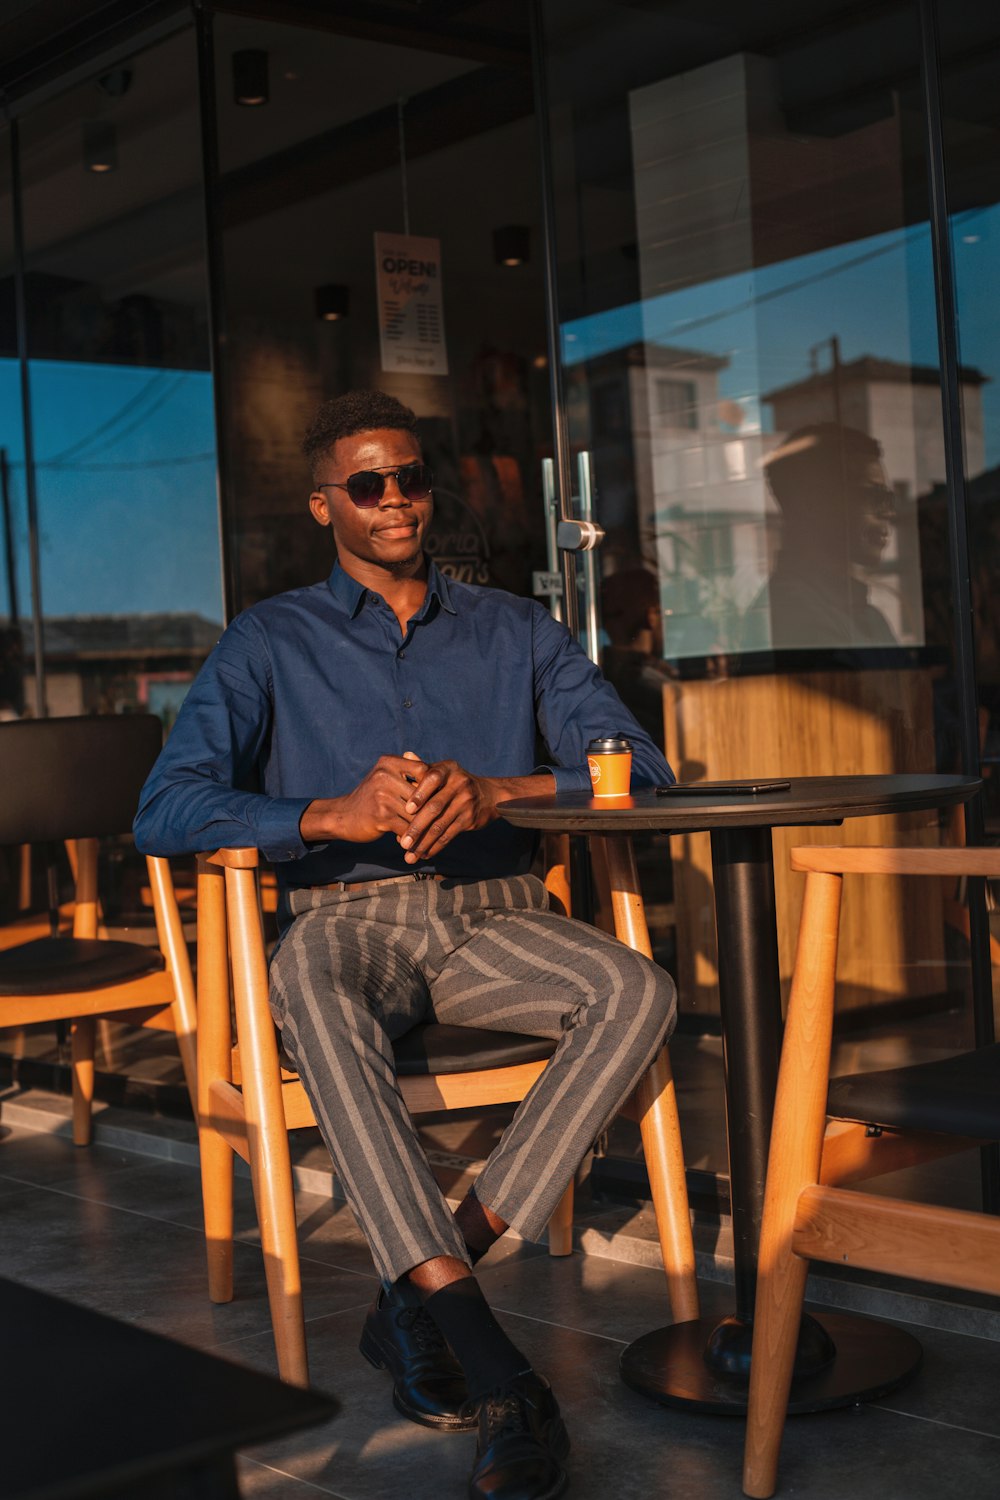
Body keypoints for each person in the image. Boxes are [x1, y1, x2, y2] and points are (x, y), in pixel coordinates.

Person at [134, 389, 677, 1500]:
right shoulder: (268, 639)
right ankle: (498, 1372)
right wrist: (321, 815)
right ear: (322, 502)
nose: (396, 501)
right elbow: (166, 809)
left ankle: (424, 1293)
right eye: (368, 484)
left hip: (495, 913)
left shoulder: (515, 629)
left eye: (411, 478)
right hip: (345, 920)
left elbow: (640, 767)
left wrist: (498, 791)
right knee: (314, 1000)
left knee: (638, 990)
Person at [743, 422, 898, 653]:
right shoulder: (794, 613)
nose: (888, 513)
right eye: (872, 496)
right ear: (815, 505)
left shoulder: (866, 615)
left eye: (887, 499)